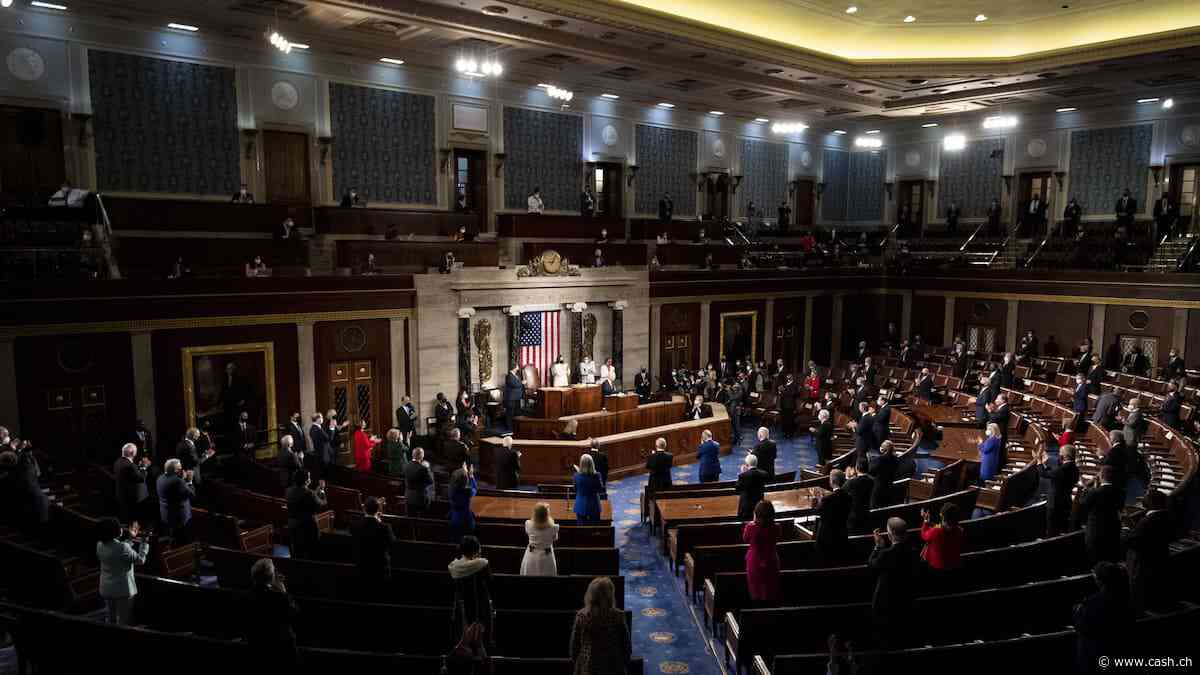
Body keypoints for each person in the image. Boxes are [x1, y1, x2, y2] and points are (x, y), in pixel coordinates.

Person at [868, 517, 920, 648]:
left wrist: (877, 547)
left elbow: (872, 564)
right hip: (906, 600)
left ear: (890, 535)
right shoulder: (914, 552)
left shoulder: (885, 554)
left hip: (885, 603)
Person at [1073, 562, 1133, 673]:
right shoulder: (1126, 600)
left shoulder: (1092, 603)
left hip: (1097, 656)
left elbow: (1081, 626)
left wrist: (1078, 610)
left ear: (1100, 581)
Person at [569, 577, 631, 675]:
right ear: (610, 595)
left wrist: (579, 664)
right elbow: (626, 646)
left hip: (587, 667)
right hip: (613, 666)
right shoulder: (618, 616)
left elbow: (574, 648)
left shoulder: (582, 616)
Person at [1124, 490, 1172, 614]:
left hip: (1142, 565)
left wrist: (1126, 530)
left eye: (1145, 498)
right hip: (1159, 560)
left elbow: (1134, 541)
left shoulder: (1147, 521)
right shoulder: (1166, 517)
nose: (1142, 499)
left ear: (1152, 503)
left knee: (1139, 596)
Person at [246, 558, 300, 667]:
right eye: (274, 571)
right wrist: (284, 591)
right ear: (271, 577)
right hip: (283, 646)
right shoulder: (279, 597)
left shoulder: (248, 595)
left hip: (257, 644)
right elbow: (295, 613)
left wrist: (271, 584)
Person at [96, 517, 149, 625]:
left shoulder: (99, 545)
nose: (122, 528)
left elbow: (118, 550)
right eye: (119, 526)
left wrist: (130, 538)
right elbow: (140, 560)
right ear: (115, 531)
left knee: (111, 619)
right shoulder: (122, 547)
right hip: (123, 591)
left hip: (107, 588)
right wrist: (144, 544)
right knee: (124, 621)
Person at [1073, 465, 1123, 564]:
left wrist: (1086, 488)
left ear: (1101, 477)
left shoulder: (1094, 492)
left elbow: (1082, 504)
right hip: (1113, 529)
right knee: (1110, 558)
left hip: (1096, 530)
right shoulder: (1121, 492)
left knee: (1094, 559)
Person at [449, 536, 494, 645]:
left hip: (461, 610)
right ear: (476, 550)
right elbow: (491, 585)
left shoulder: (454, 567)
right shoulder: (482, 565)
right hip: (480, 610)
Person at [1036, 444, 1081, 536]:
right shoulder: (1074, 468)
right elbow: (1054, 473)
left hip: (1055, 503)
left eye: (1060, 453)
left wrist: (1039, 462)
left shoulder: (1063, 469)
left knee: (1052, 528)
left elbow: (1044, 474)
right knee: (1062, 528)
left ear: (1064, 456)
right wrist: (1045, 464)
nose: (1059, 455)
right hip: (1066, 501)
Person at [353, 496, 397, 584]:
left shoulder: (355, 526)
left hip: (361, 568)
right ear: (378, 510)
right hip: (381, 569)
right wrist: (379, 522)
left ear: (364, 509)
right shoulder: (385, 527)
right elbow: (393, 543)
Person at [286, 469, 326, 559]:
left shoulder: (288, 491)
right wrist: (322, 490)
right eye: (309, 477)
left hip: (293, 525)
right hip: (308, 528)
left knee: (297, 552)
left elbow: (304, 500)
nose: (310, 479)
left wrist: (315, 493)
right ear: (306, 480)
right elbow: (322, 504)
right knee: (311, 553)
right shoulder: (309, 494)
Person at [814, 469, 851, 562]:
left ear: (832, 482)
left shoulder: (827, 499)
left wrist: (819, 500)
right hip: (842, 535)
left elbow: (818, 511)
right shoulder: (848, 497)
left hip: (826, 538)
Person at [156, 458, 194, 543]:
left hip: (166, 515)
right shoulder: (178, 482)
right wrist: (189, 481)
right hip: (180, 519)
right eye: (180, 468)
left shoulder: (160, 478)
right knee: (182, 541)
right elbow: (192, 495)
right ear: (176, 470)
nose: (182, 470)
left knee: (172, 538)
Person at [919, 502, 963, 572]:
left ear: (943, 517)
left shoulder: (936, 531)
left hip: (936, 566)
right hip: (952, 565)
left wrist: (925, 521)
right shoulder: (960, 531)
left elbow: (924, 535)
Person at [114, 443, 150, 524]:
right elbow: (141, 478)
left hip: (122, 495)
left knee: (126, 518)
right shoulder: (130, 466)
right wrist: (145, 467)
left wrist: (139, 467)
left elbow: (131, 476)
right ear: (133, 453)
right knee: (133, 520)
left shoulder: (118, 462)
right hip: (133, 499)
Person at [521, 502, 559, 576]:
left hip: (531, 557)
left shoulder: (528, 524)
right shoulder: (554, 528)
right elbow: (555, 538)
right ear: (547, 515)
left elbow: (528, 533)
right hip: (547, 558)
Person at [448, 465, 478, 543]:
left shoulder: (451, 491)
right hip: (466, 519)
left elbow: (457, 480)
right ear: (466, 480)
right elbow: (475, 488)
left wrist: (463, 472)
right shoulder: (468, 492)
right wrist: (471, 476)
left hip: (455, 518)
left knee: (455, 539)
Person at [844, 461, 875, 535]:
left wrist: (847, 477)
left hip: (854, 516)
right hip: (867, 513)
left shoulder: (851, 482)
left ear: (857, 469)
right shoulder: (873, 480)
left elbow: (840, 492)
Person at [735, 454, 768, 521]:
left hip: (746, 508)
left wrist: (743, 472)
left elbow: (737, 489)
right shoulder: (764, 474)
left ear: (747, 464)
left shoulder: (743, 475)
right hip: (759, 506)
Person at [573, 454, 603, 524]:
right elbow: (600, 489)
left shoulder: (576, 476)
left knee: (582, 530)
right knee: (594, 529)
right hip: (594, 505)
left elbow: (575, 489)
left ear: (581, 464)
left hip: (580, 505)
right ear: (592, 463)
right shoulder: (597, 476)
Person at [404, 447, 434, 516]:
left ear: (413, 455)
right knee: (421, 519)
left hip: (408, 496)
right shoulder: (423, 468)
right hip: (420, 498)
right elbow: (430, 481)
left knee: (410, 518)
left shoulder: (407, 465)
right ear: (422, 456)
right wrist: (427, 468)